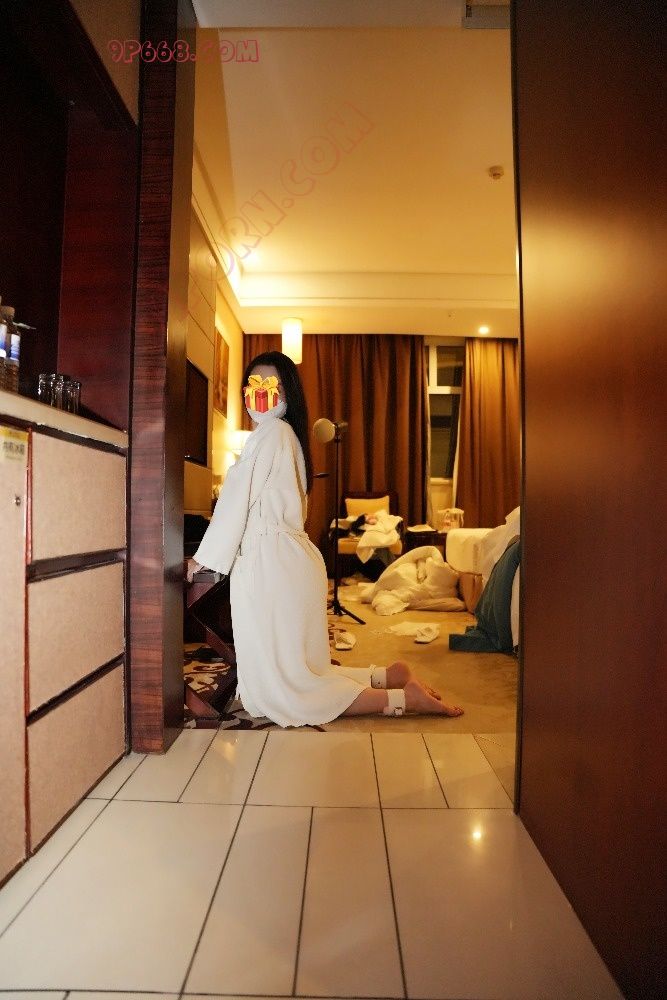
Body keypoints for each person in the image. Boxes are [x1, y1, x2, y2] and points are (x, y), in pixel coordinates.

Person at [186, 351, 463, 727]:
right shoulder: (289, 439)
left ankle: (399, 698)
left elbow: (235, 497)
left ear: (287, 393)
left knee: (289, 691)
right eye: (253, 385)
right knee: (303, 671)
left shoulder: (271, 434)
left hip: (273, 565)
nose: (260, 393)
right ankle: (388, 676)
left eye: (270, 385)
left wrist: (203, 559)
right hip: (289, 561)